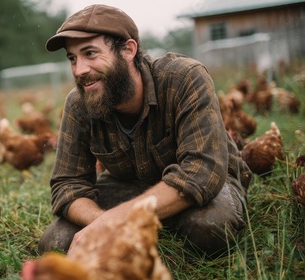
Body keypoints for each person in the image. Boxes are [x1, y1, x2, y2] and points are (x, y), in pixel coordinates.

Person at [38, 4, 253, 257]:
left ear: (128, 50)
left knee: (212, 227)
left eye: (90, 53)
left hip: (201, 186)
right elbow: (67, 185)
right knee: (55, 243)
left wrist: (116, 221)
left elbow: (202, 172)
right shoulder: (79, 103)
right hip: (130, 186)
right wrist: (104, 221)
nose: (79, 69)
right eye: (73, 58)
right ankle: (147, 223)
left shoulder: (185, 78)